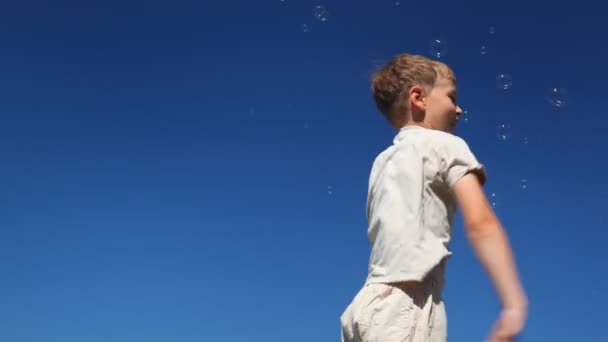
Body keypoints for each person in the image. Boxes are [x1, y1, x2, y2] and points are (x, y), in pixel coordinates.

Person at [340, 53, 528, 342]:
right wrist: (513, 304)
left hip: (365, 307)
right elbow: (481, 223)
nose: (459, 109)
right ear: (419, 97)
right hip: (408, 305)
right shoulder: (446, 144)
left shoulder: (383, 161)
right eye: (452, 97)